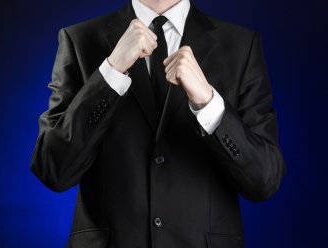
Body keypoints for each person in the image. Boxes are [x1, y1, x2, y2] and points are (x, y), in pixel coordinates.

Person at [30, 0, 286, 247]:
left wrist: (209, 104)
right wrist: (111, 72)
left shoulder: (241, 45)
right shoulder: (80, 40)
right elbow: (53, 169)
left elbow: (264, 180)